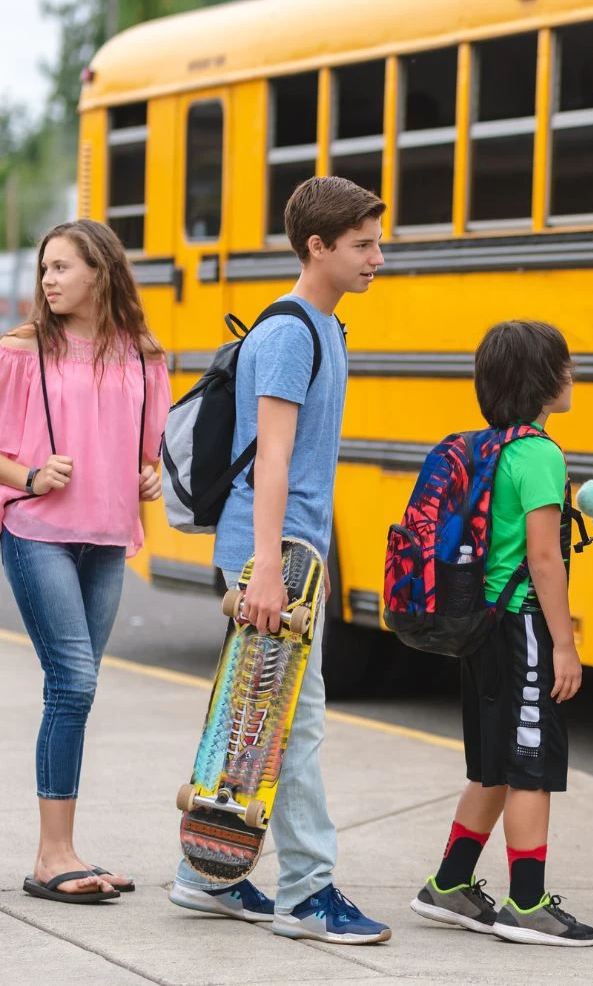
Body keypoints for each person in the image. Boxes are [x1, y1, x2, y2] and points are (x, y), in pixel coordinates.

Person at [167, 176, 391, 943]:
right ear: (317, 247)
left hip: (291, 551)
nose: (377, 257)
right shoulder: (293, 332)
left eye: (377, 242)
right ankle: (306, 891)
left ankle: (205, 876)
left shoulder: (328, 326)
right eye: (362, 244)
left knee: (254, 720)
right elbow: (272, 458)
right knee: (296, 724)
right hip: (276, 556)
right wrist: (267, 568)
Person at [409, 319, 593, 947]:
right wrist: (564, 645)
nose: (571, 376)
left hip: (480, 627)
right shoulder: (539, 454)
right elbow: (545, 559)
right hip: (521, 628)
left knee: (494, 765)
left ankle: (450, 886)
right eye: (563, 366)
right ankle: (527, 903)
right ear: (542, 381)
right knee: (530, 767)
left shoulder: (486, 446)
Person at [1, 220, 170, 903]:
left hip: (105, 536)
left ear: (101, 271)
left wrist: (150, 473)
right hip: (38, 529)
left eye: (62, 267)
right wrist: (31, 474)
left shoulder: (143, 355)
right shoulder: (19, 351)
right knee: (72, 683)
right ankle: (51, 855)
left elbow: (148, 450)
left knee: (77, 689)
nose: (48, 279)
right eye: (44, 267)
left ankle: (64, 846)